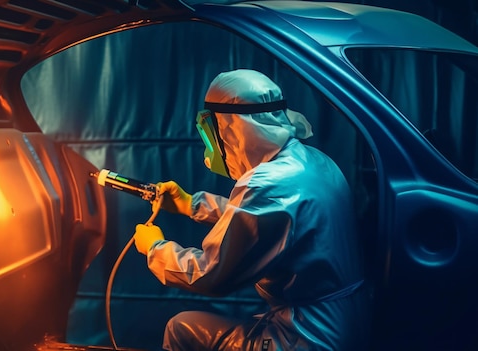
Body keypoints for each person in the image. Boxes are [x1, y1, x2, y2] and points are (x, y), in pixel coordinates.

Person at [132, 69, 371, 350]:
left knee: (181, 327)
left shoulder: (268, 183)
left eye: (215, 133)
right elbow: (268, 224)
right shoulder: (311, 161)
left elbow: (214, 275)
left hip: (308, 337)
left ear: (233, 130)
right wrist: (191, 204)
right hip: (349, 321)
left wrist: (155, 248)